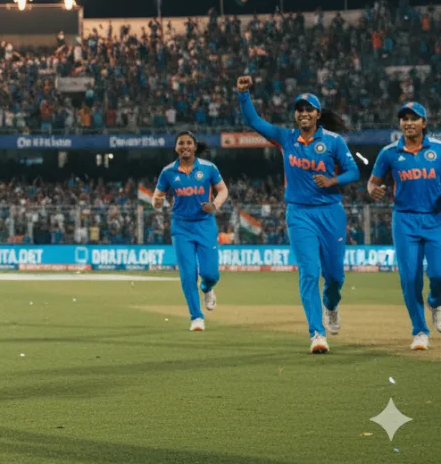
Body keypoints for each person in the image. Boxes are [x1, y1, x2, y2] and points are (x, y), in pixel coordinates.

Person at [236, 77, 357, 353]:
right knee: (309, 273)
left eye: (309, 110)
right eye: (299, 110)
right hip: (299, 214)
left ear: (317, 114)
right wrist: (243, 95)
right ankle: (317, 333)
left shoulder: (334, 142)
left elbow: (354, 172)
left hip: (330, 213)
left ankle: (331, 305)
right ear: (296, 115)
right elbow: (255, 122)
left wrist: (332, 181)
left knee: (335, 277)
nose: (304, 113)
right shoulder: (286, 139)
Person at [368, 101, 441, 351]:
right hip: (405, 221)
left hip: (436, 219)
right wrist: (373, 190)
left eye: (414, 118)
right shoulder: (389, 153)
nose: (408, 122)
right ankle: (420, 331)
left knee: (439, 274)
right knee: (409, 279)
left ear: (424, 123)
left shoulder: (439, 150)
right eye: (404, 118)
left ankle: (436, 301)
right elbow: (372, 182)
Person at [152, 131, 228, 331]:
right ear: (176, 148)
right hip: (181, 227)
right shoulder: (168, 172)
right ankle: (196, 317)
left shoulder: (208, 168)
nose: (184, 146)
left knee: (210, 273)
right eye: (180, 143)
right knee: (187, 274)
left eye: (188, 143)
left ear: (194, 147)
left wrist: (215, 205)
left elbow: (223, 190)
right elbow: (156, 199)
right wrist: (157, 201)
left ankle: (207, 287)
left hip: (205, 224)